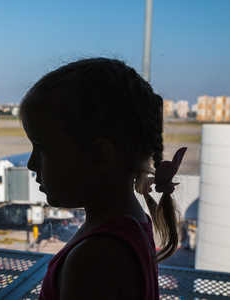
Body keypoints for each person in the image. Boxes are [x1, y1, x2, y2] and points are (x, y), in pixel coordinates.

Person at [19, 57, 186, 300]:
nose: (31, 164)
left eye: (42, 148)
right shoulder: (132, 223)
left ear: (99, 158)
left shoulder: (94, 258)